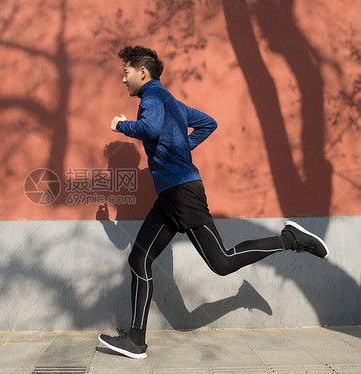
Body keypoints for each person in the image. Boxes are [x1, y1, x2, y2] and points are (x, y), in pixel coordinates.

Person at [97, 45, 329, 359]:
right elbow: (208, 123)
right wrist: (181, 149)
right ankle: (136, 340)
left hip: (182, 193)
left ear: (142, 72)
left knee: (221, 262)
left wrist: (122, 126)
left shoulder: (151, 97)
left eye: (125, 73)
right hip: (170, 196)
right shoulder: (172, 102)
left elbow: (150, 128)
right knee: (139, 259)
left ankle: (290, 240)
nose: (122, 80)